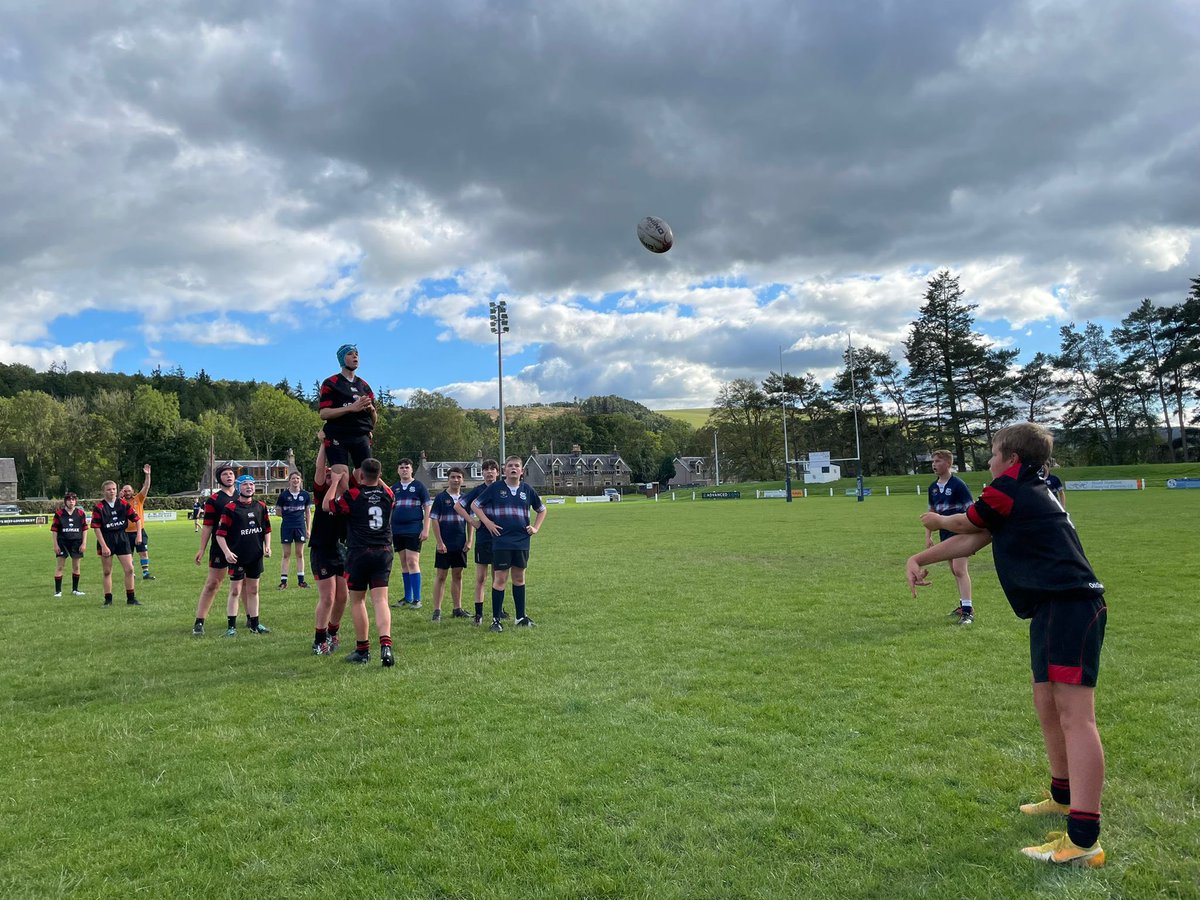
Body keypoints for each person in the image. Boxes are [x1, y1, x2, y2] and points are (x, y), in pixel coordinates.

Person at [909, 422, 1107, 868]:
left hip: (1071, 606)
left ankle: (1083, 840)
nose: (990, 460)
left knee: (1077, 718)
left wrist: (936, 521)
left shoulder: (1009, 488)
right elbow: (978, 538)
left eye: (994, 452)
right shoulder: (1022, 490)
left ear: (1012, 459)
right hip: (1052, 609)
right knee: (1046, 704)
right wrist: (918, 558)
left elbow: (964, 523)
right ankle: (1063, 796)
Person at [325, 458, 396, 667]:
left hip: (359, 552)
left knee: (358, 600)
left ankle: (363, 649)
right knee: (381, 600)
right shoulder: (387, 494)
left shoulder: (354, 495)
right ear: (380, 475)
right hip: (383, 550)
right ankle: (386, 646)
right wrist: (376, 476)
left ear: (361, 475)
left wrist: (336, 482)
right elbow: (387, 490)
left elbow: (329, 505)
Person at [471, 455, 547, 632]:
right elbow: (475, 505)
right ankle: (496, 620)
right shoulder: (496, 488)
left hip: (521, 541)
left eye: (517, 466)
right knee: (500, 579)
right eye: (510, 466)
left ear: (522, 471)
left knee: (519, 578)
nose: (513, 468)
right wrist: (487, 523)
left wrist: (535, 528)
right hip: (502, 541)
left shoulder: (527, 490)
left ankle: (520, 617)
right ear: (504, 470)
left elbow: (542, 510)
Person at [215, 475, 273, 637]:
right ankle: (231, 627)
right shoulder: (231, 508)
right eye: (246, 484)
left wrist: (267, 546)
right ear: (239, 487)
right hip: (237, 557)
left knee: (254, 590)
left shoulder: (260, 506)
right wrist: (227, 552)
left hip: (255, 556)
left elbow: (267, 529)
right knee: (235, 591)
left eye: (252, 484)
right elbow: (220, 534)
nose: (249, 487)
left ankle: (255, 624)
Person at [309, 433, 349, 655]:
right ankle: (319, 638)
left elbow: (348, 474)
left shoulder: (346, 496)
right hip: (322, 548)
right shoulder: (320, 494)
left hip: (340, 549)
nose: (326, 474)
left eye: (330, 473)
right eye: (325, 474)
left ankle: (333, 632)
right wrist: (324, 445)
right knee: (328, 597)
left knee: (343, 596)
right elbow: (319, 468)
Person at [924, 450, 975, 624]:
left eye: (938, 461)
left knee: (960, 569)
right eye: (933, 461)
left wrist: (971, 531)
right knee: (954, 570)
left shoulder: (958, 484)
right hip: (944, 533)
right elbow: (931, 513)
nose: (934, 464)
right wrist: (928, 535)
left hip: (960, 531)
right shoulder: (932, 487)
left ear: (947, 463)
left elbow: (971, 509)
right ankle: (963, 605)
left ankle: (968, 612)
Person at [192, 463, 239, 636]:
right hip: (220, 547)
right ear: (219, 479)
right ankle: (199, 621)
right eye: (225, 474)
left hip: (242, 546)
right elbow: (208, 526)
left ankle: (252, 619)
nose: (229, 476)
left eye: (231, 474)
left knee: (246, 584)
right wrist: (202, 549)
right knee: (213, 584)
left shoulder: (242, 495)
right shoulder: (214, 499)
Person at [455, 458, 504, 625]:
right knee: (481, 578)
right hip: (483, 538)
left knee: (499, 576)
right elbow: (458, 506)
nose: (489, 472)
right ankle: (479, 614)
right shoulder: (477, 491)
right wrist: (472, 521)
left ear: (498, 472)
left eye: (493, 469)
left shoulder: (503, 489)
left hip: (501, 538)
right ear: (482, 473)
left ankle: (499, 611)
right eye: (486, 469)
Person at [318, 344, 377, 472]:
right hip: (338, 435)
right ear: (342, 359)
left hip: (361, 435)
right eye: (350, 353)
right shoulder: (331, 382)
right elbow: (324, 414)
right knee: (341, 476)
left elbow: (374, 420)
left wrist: (371, 410)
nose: (355, 355)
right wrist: (350, 408)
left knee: (365, 477)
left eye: (356, 353)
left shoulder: (364, 385)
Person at [429, 466, 473, 622]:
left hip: (460, 543)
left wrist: (469, 540)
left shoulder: (466, 499)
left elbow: (470, 521)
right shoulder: (441, 498)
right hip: (444, 544)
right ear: (448, 479)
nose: (456, 480)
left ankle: (457, 608)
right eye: (453, 477)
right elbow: (434, 519)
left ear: (462, 480)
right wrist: (439, 542)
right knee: (441, 576)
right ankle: (437, 611)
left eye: (458, 477)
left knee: (458, 575)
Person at [90, 480, 141, 606]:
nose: (112, 491)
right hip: (106, 539)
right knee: (107, 571)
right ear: (103, 492)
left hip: (122, 538)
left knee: (129, 569)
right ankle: (108, 599)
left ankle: (131, 598)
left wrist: (139, 534)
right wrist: (103, 546)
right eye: (109, 489)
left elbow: (137, 519)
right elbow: (96, 528)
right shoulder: (99, 507)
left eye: (113, 489)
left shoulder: (123, 504)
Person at [390, 457, 431, 609]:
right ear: (398, 470)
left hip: (413, 528)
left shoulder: (419, 486)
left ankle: (417, 599)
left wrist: (426, 528)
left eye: (407, 467)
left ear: (411, 469)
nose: (404, 469)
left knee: (413, 562)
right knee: (403, 563)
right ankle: (408, 597)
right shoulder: (394, 488)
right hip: (397, 529)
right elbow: (389, 509)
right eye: (401, 467)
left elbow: (427, 507)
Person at [274, 471, 312, 590]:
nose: (295, 480)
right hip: (287, 527)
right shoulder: (284, 495)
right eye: (293, 478)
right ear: (289, 480)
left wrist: (308, 529)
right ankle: (283, 581)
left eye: (298, 478)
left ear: (301, 480)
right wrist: (290, 515)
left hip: (300, 527)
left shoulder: (305, 495)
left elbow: (308, 512)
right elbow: (278, 511)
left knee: (300, 554)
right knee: (286, 554)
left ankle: (301, 581)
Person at [120, 464, 155, 580]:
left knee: (143, 552)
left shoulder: (138, 499)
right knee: (129, 555)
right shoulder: (120, 502)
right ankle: (132, 573)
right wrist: (119, 498)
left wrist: (148, 475)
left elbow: (146, 486)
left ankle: (145, 573)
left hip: (139, 531)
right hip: (126, 532)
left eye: (129, 490)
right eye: (125, 491)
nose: (127, 492)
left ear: (133, 491)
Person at [51, 491, 88, 597]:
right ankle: (58, 591)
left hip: (77, 542)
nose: (71, 502)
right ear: (65, 501)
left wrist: (84, 543)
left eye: (73, 500)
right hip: (62, 542)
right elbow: (54, 530)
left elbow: (85, 529)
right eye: (69, 500)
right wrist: (55, 544)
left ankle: (75, 590)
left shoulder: (80, 513)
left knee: (76, 566)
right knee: (60, 566)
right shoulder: (59, 514)